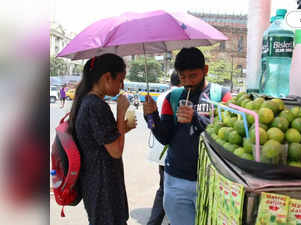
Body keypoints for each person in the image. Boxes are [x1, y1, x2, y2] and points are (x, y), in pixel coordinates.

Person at [143, 47, 232, 225]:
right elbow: (164, 137)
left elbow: (228, 137)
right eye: (183, 77)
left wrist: (196, 119)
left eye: (193, 75)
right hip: (176, 181)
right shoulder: (172, 98)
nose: (188, 82)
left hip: (211, 181)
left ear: (205, 70)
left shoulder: (222, 96)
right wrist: (151, 117)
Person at [68, 53, 137, 225]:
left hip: (95, 182)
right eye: (120, 80)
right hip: (103, 185)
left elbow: (100, 140)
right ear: (107, 77)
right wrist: (121, 113)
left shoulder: (87, 101)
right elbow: (115, 151)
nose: (122, 85)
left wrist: (123, 128)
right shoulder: (96, 105)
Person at [146, 71, 181, 225]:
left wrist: (149, 118)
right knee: (167, 190)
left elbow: (151, 124)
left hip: (159, 151)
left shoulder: (161, 95)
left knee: (164, 188)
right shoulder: (178, 96)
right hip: (168, 151)